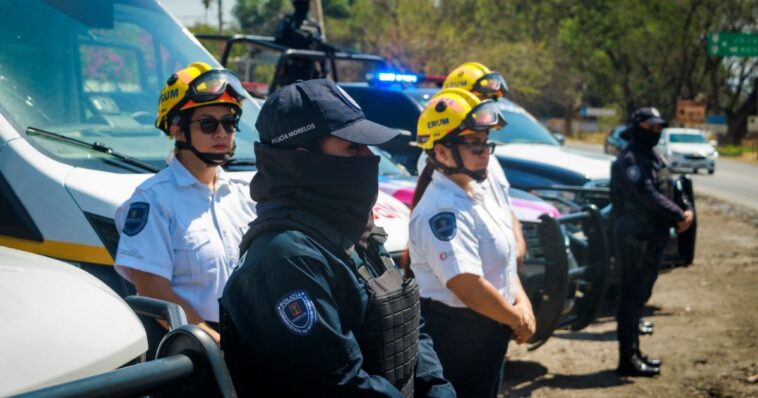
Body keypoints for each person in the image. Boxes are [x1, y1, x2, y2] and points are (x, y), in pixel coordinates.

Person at [219, 79, 455, 397]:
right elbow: (336, 384)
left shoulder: (357, 232)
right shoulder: (287, 257)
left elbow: (407, 321)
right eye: (353, 146)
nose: (368, 157)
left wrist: (437, 388)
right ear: (304, 161)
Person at [114, 62, 257, 344]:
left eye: (229, 123)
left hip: (251, 340)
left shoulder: (244, 195)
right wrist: (213, 343)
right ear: (178, 130)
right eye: (208, 124)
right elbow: (153, 292)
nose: (222, 133)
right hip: (196, 350)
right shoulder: (152, 200)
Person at [409, 88, 536, 398]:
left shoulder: (474, 193)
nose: (484, 153)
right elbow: (467, 285)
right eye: (473, 145)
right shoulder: (442, 209)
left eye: (485, 144)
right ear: (440, 152)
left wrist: (523, 304)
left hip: (488, 326)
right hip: (456, 336)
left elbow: (501, 261)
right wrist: (515, 317)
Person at [610, 107, 694, 377]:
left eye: (659, 128)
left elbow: (670, 185)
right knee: (631, 299)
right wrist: (679, 215)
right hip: (636, 238)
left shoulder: (653, 155)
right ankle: (627, 360)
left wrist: (685, 207)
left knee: (640, 298)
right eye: (651, 128)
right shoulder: (631, 158)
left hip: (652, 237)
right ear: (637, 127)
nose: (656, 133)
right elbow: (646, 194)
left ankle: (635, 354)